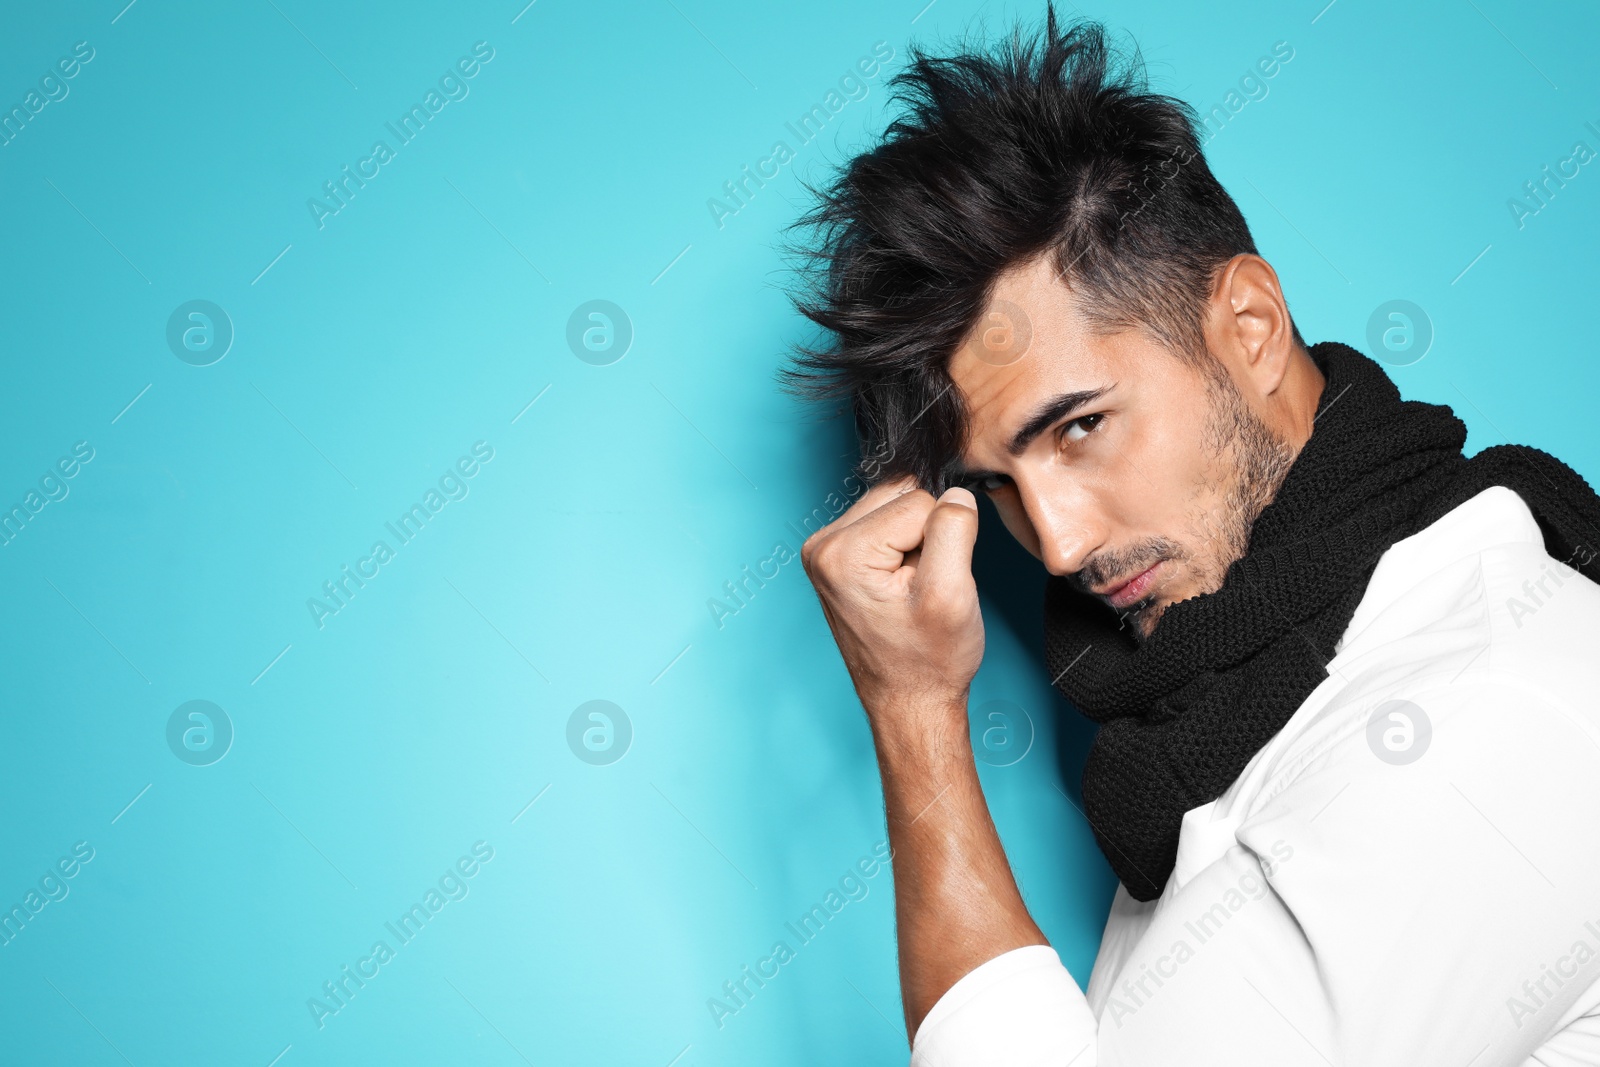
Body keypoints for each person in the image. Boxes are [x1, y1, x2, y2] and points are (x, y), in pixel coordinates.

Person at [783, 7, 1600, 1064]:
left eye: (1080, 426)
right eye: (995, 485)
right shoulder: (1230, 708)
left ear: (1250, 329)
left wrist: (913, 711)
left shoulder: (1484, 709)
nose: (1062, 544)